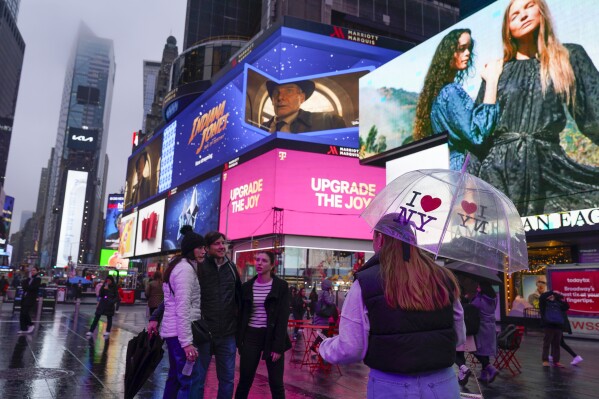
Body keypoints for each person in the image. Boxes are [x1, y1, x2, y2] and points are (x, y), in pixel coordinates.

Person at [319, 213, 466, 399]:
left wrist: (325, 346)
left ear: (380, 239)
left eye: (373, 238)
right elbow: (459, 336)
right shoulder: (443, 277)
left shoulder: (366, 282)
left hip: (391, 386)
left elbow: (351, 348)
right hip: (443, 384)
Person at [477, 0, 599, 215]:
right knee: (504, 244)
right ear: (508, 29)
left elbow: (594, 117)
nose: (523, 15)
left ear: (542, 11)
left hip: (549, 168)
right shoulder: (497, 70)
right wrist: (469, 190)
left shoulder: (568, 56)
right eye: (514, 15)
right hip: (497, 173)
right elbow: (478, 133)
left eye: (529, 6)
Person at [414, 28, 503, 172]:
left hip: (452, 169)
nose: (467, 53)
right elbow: (477, 135)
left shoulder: (438, 96)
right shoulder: (451, 92)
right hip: (464, 169)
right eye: (461, 49)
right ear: (448, 53)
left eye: (469, 48)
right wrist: (492, 80)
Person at [235, 251, 291, 399]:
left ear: (272, 265)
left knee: (276, 383)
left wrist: (278, 347)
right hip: (251, 336)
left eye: (264, 261)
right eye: (257, 260)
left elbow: (282, 318)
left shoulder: (281, 286)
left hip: (272, 337)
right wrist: (239, 340)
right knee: (245, 380)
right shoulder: (247, 287)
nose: (259, 263)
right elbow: (241, 315)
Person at [160, 225, 205, 398]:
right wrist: (186, 343)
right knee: (186, 380)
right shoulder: (185, 270)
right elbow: (183, 307)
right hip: (180, 337)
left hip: (174, 334)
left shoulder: (179, 266)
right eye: (200, 248)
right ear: (190, 250)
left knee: (175, 378)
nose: (204, 252)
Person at [196, 231, 242, 399]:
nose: (222, 247)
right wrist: (156, 317)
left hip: (227, 333)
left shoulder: (231, 267)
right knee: (198, 379)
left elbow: (239, 296)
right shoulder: (199, 267)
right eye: (217, 243)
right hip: (204, 333)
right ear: (207, 248)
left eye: (223, 243)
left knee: (227, 380)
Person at [263, 80, 347, 133]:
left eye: (289, 91)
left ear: (302, 97)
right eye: (275, 92)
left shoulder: (329, 122)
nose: (280, 97)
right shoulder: (261, 129)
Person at [471, 281, 499, 383]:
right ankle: (484, 375)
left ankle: (490, 368)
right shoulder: (494, 299)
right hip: (491, 327)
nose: (477, 288)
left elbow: (472, 308)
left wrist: (475, 296)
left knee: (474, 349)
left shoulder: (479, 299)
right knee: (485, 351)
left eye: (478, 287)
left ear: (482, 288)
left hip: (481, 327)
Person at [550, 293, 584, 366]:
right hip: (561, 325)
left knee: (560, 342)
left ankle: (576, 356)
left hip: (558, 326)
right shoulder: (562, 304)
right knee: (556, 341)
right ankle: (551, 356)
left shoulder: (556, 305)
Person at [539, 290, 569, 368]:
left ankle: (556, 361)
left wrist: (559, 298)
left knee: (556, 345)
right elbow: (542, 297)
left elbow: (566, 307)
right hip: (548, 326)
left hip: (558, 326)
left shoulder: (558, 303)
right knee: (547, 343)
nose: (551, 297)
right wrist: (552, 292)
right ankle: (545, 360)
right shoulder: (544, 304)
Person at [18, 266, 41, 334]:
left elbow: (32, 288)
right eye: (32, 270)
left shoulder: (38, 279)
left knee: (25, 312)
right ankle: (23, 329)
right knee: (22, 313)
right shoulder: (29, 278)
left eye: (34, 270)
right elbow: (23, 285)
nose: (32, 271)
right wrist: (27, 286)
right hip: (24, 297)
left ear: (37, 271)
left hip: (30, 298)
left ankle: (30, 324)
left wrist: (27, 287)